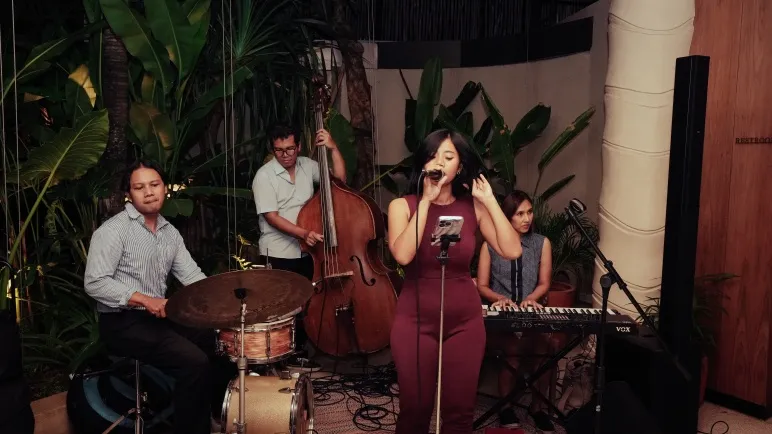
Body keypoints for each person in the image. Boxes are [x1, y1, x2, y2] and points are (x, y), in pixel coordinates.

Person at [387, 129, 522, 434]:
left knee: (460, 413)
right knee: (415, 411)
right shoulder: (402, 206)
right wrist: (426, 201)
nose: (439, 162)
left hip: (465, 323)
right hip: (415, 321)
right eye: (433, 156)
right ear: (423, 164)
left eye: (448, 157)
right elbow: (404, 255)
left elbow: (512, 250)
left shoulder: (473, 208)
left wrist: (490, 201)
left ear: (460, 167)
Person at [84, 160, 233, 434]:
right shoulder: (113, 231)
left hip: (157, 319)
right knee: (194, 362)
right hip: (122, 323)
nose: (149, 192)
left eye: (154, 184)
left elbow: (192, 277)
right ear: (128, 194)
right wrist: (143, 299)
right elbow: (95, 283)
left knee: (221, 343)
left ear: (164, 188)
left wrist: (226, 305)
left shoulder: (169, 233)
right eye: (139, 187)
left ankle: (212, 417)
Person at [251, 123, 347, 361]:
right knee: (282, 306)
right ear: (273, 149)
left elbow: (339, 182)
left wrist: (333, 148)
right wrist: (303, 233)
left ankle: (305, 353)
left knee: (307, 302)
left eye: (290, 149)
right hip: (278, 251)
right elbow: (271, 217)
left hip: (308, 251)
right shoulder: (264, 176)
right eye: (279, 150)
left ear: (299, 146)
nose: (285, 155)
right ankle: (282, 359)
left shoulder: (308, 166)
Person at [477, 190, 555, 432]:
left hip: (531, 312)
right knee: (512, 349)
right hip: (502, 314)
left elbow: (545, 283)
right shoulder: (490, 245)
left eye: (529, 212)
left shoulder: (542, 243)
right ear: (507, 216)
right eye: (520, 214)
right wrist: (499, 298)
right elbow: (482, 285)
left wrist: (531, 299)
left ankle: (537, 408)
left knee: (545, 349)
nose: (527, 218)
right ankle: (506, 407)